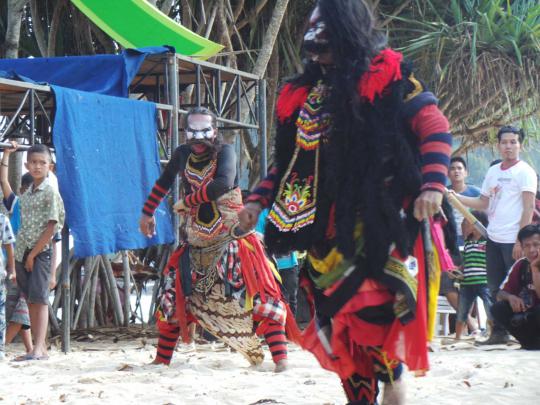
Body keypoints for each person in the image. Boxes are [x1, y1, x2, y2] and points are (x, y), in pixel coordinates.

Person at [239, 1, 452, 403]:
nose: (318, 57)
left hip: (378, 223)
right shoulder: (302, 95)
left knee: (370, 310)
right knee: (340, 328)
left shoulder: (388, 76)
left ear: (350, 38)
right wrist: (256, 202)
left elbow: (433, 126)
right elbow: (287, 165)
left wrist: (433, 185)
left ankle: (394, 380)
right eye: (313, 49)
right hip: (323, 233)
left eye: (326, 47)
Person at [139, 107, 300, 372]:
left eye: (205, 130)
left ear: (215, 131)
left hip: (233, 239)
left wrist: (186, 201)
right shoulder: (181, 154)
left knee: (261, 297)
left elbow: (222, 184)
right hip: (196, 242)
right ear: (184, 131)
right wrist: (146, 213)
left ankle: (281, 360)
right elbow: (163, 182)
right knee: (174, 297)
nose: (198, 136)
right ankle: (161, 360)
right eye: (192, 130)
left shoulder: (226, 152)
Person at [454, 126, 537, 345]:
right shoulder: (493, 172)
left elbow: (528, 208)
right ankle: (498, 332)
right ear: (498, 145)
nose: (508, 146)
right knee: (494, 287)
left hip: (513, 239)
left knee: (517, 287)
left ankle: (522, 329)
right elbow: (483, 203)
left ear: (520, 144)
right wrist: (457, 197)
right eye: (504, 142)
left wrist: (521, 240)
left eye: (513, 142)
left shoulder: (525, 172)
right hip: (493, 237)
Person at [1, 142, 65, 361]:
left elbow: (51, 227)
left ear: (50, 167)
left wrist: (32, 254)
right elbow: (4, 182)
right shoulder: (26, 197)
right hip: (22, 253)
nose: (37, 166)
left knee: (40, 299)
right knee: (31, 300)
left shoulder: (50, 192)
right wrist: (7, 154)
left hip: (39, 253)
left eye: (42, 163)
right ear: (27, 165)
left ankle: (39, 347)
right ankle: (36, 349)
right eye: (34, 163)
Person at [492, 224, 540, 349]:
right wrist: (511, 297)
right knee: (498, 308)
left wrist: (535, 270)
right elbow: (500, 294)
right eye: (527, 246)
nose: (532, 250)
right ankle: (530, 343)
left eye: (536, 244)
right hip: (530, 315)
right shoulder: (521, 264)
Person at [1, 172, 33, 354]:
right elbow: (4, 179)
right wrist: (6, 155)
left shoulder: (43, 207)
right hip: (15, 264)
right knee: (19, 305)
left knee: (24, 305)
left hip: (32, 263)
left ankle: (4, 345)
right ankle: (30, 348)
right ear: (21, 190)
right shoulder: (17, 204)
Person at [455, 211, 491, 340]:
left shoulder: (487, 242)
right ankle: (458, 337)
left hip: (484, 282)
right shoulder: (467, 244)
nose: (463, 224)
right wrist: (457, 271)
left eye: (467, 221)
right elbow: (465, 263)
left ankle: (492, 333)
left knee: (489, 309)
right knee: (462, 312)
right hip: (467, 284)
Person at [256, 208, 300, 315]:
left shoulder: (291, 210)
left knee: (291, 299)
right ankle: (278, 329)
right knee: (274, 300)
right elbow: (258, 236)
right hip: (270, 265)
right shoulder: (263, 213)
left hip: (289, 264)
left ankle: (290, 329)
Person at [447, 156, 481, 247]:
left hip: (471, 239)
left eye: (459, 168)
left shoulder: (477, 193)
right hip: (449, 237)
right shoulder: (443, 193)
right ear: (448, 174)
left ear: (466, 173)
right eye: (452, 168)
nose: (456, 171)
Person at [0, 211, 16, 360]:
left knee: (0, 314)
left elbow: (9, 247)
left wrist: (12, 269)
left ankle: (0, 349)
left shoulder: (2, 219)